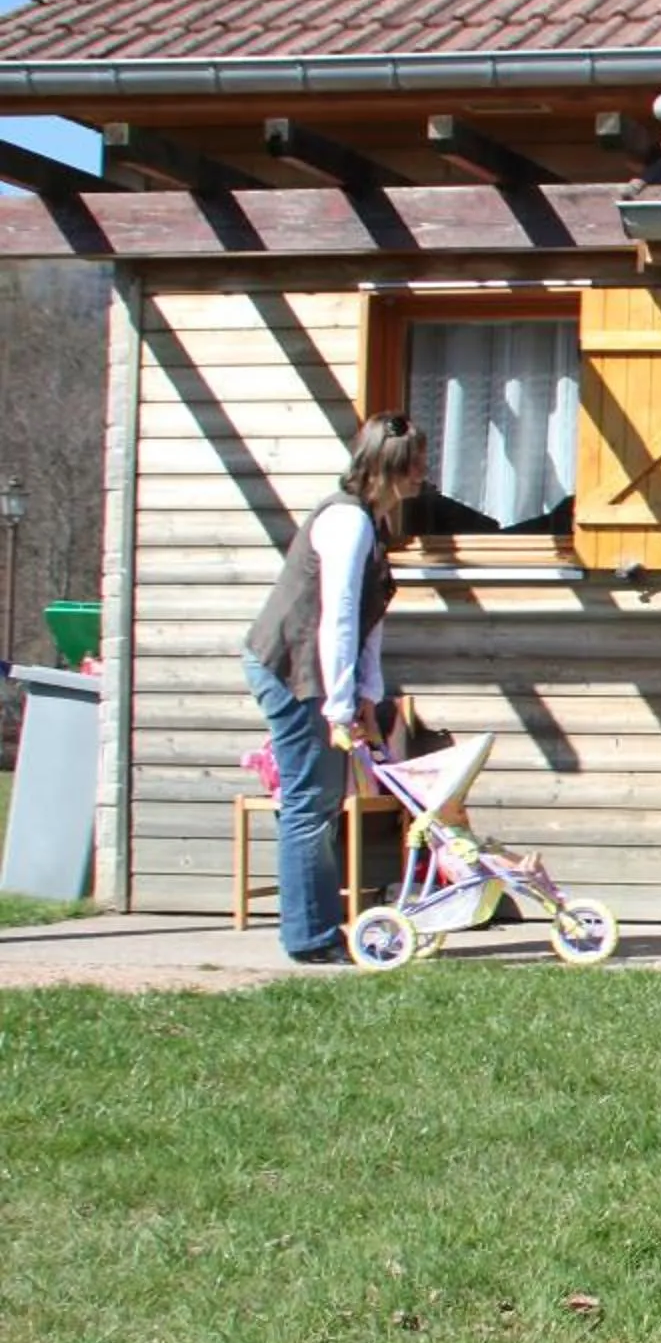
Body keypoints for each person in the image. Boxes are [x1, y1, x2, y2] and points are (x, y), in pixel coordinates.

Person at [242, 411, 428, 965]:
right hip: (291, 668)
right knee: (310, 802)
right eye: (417, 465)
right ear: (392, 466)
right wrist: (340, 705)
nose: (423, 476)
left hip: (317, 672)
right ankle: (311, 938)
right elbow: (337, 618)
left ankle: (317, 930)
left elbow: (370, 623)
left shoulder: (371, 523)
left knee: (320, 800)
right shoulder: (346, 522)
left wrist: (367, 696)